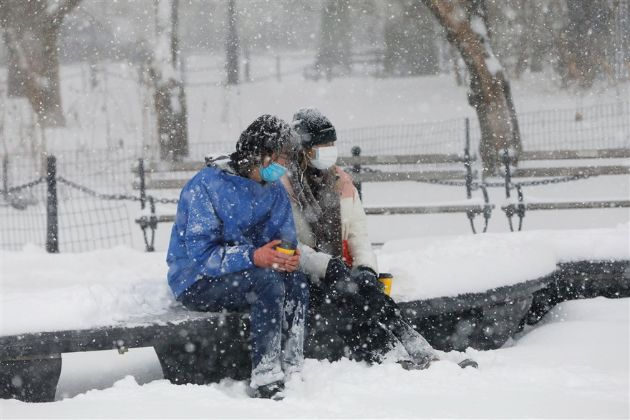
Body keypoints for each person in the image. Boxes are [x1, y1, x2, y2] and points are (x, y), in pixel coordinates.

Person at [281, 107, 477, 370]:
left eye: (332, 143)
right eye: (322, 144)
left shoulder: (340, 181)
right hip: (304, 273)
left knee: (370, 291)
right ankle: (389, 352)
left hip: (340, 267)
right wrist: (326, 266)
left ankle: (413, 344)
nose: (329, 149)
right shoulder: (285, 185)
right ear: (304, 148)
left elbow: (358, 232)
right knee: (348, 298)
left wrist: (365, 268)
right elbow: (289, 241)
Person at [166, 115, 309, 401]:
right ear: (261, 153)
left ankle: (293, 362)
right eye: (280, 157)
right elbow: (200, 256)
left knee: (296, 279)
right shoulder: (205, 186)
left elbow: (284, 238)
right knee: (266, 281)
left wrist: (288, 256)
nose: (284, 166)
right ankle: (266, 373)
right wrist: (253, 255)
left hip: (248, 273)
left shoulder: (275, 191)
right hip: (198, 280)